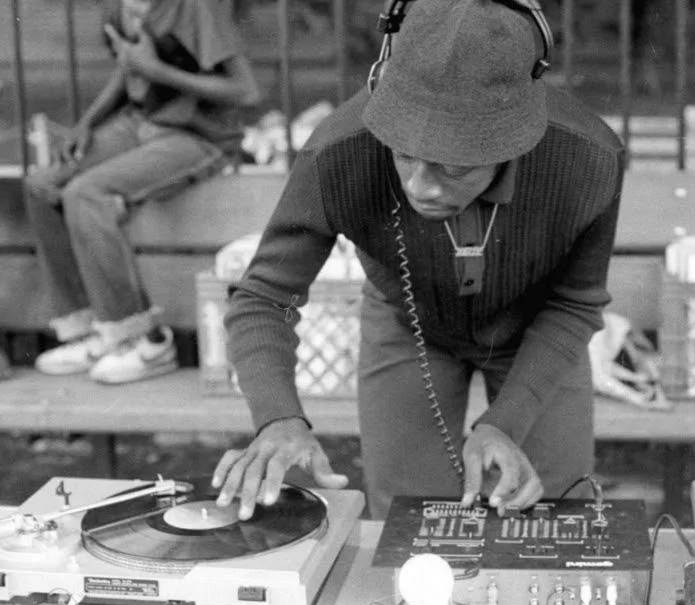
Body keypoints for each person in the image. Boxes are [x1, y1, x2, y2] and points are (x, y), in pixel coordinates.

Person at [211, 0, 625, 520]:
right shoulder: (338, 149)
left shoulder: (589, 158)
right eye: (404, 154)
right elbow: (264, 298)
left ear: (513, 142)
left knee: (556, 517)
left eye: (454, 167)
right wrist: (278, 418)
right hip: (405, 322)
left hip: (540, 329)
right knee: (407, 523)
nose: (420, 187)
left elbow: (575, 302)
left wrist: (505, 423)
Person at [24, 0, 260, 384]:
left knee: (87, 193)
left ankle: (146, 341)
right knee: (43, 185)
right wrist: (88, 122)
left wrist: (158, 71)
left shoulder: (197, 7)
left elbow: (245, 90)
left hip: (196, 135)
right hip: (139, 124)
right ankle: (91, 332)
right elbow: (130, 66)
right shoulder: (125, 5)